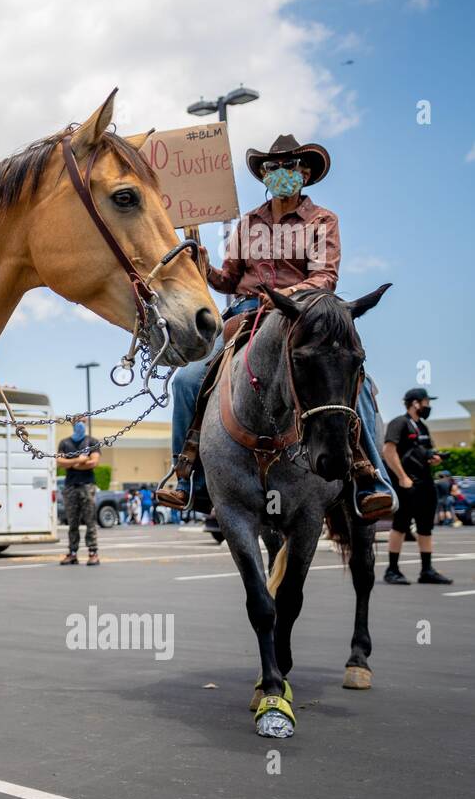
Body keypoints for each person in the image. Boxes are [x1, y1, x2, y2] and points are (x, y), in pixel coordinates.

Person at [155, 135, 394, 520]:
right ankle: (186, 476)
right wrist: (202, 265)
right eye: (273, 167)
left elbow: (325, 278)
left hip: (302, 318)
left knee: (358, 384)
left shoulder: (322, 221)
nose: (282, 173)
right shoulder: (247, 223)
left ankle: (370, 476)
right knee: (186, 381)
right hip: (246, 315)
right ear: (265, 174)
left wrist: (285, 295)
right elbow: (230, 280)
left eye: (290, 166)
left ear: (305, 173)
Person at [381, 388, 451, 585]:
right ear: (415, 403)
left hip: (426, 484)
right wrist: (402, 477)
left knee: (425, 528)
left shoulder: (422, 427)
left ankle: (426, 570)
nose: (429, 406)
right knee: (400, 526)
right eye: (427, 402)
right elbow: (388, 450)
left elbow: (424, 452)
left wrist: (433, 459)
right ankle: (392, 570)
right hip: (407, 483)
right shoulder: (400, 423)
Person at [57, 419, 100, 565]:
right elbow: (60, 462)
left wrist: (72, 464)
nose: (80, 424)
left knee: (90, 520)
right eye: (77, 421)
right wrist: (79, 460)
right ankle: (72, 553)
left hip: (87, 486)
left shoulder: (92, 441)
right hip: (70, 486)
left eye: (82, 421)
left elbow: (93, 462)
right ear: (72, 424)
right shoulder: (65, 443)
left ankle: (93, 553)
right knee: (72, 522)